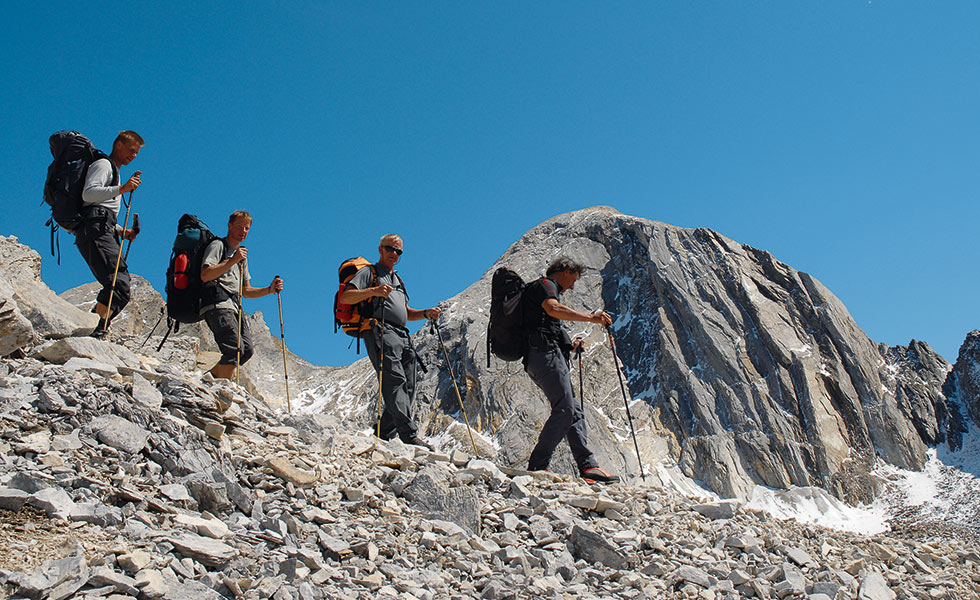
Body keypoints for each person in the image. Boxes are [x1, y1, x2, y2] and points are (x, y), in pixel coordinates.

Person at [522, 257, 620, 483]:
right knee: (565, 408)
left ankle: (588, 467)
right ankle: (538, 465)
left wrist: (571, 346)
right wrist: (592, 318)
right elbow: (553, 309)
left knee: (574, 410)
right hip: (543, 354)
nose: (573, 286)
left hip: (545, 355)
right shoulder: (546, 286)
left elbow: (547, 324)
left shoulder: (544, 290)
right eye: (573, 279)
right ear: (565, 271)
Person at [339, 234, 442, 448]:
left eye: (398, 251)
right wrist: (374, 291)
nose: (394, 253)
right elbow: (346, 297)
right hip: (379, 330)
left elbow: (405, 312)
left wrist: (425, 313)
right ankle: (408, 435)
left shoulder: (398, 280)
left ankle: (383, 431)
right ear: (380, 249)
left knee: (410, 385)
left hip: (402, 335)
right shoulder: (369, 273)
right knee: (394, 381)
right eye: (390, 249)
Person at [200, 210, 283, 380]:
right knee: (234, 348)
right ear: (229, 226)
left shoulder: (242, 257)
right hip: (218, 303)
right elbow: (205, 274)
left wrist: (269, 289)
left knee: (246, 351)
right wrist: (232, 260)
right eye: (239, 227)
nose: (243, 231)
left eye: (246, 228)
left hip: (234, 306)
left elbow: (245, 291)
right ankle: (222, 390)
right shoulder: (218, 246)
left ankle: (210, 380)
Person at [77, 130, 144, 338]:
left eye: (136, 153)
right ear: (119, 146)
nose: (133, 156)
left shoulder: (114, 170)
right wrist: (122, 189)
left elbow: (100, 208)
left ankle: (97, 326)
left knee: (119, 281)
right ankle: (97, 328)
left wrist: (122, 232)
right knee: (118, 281)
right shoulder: (103, 165)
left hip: (101, 228)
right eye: (131, 151)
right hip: (95, 230)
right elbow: (88, 194)